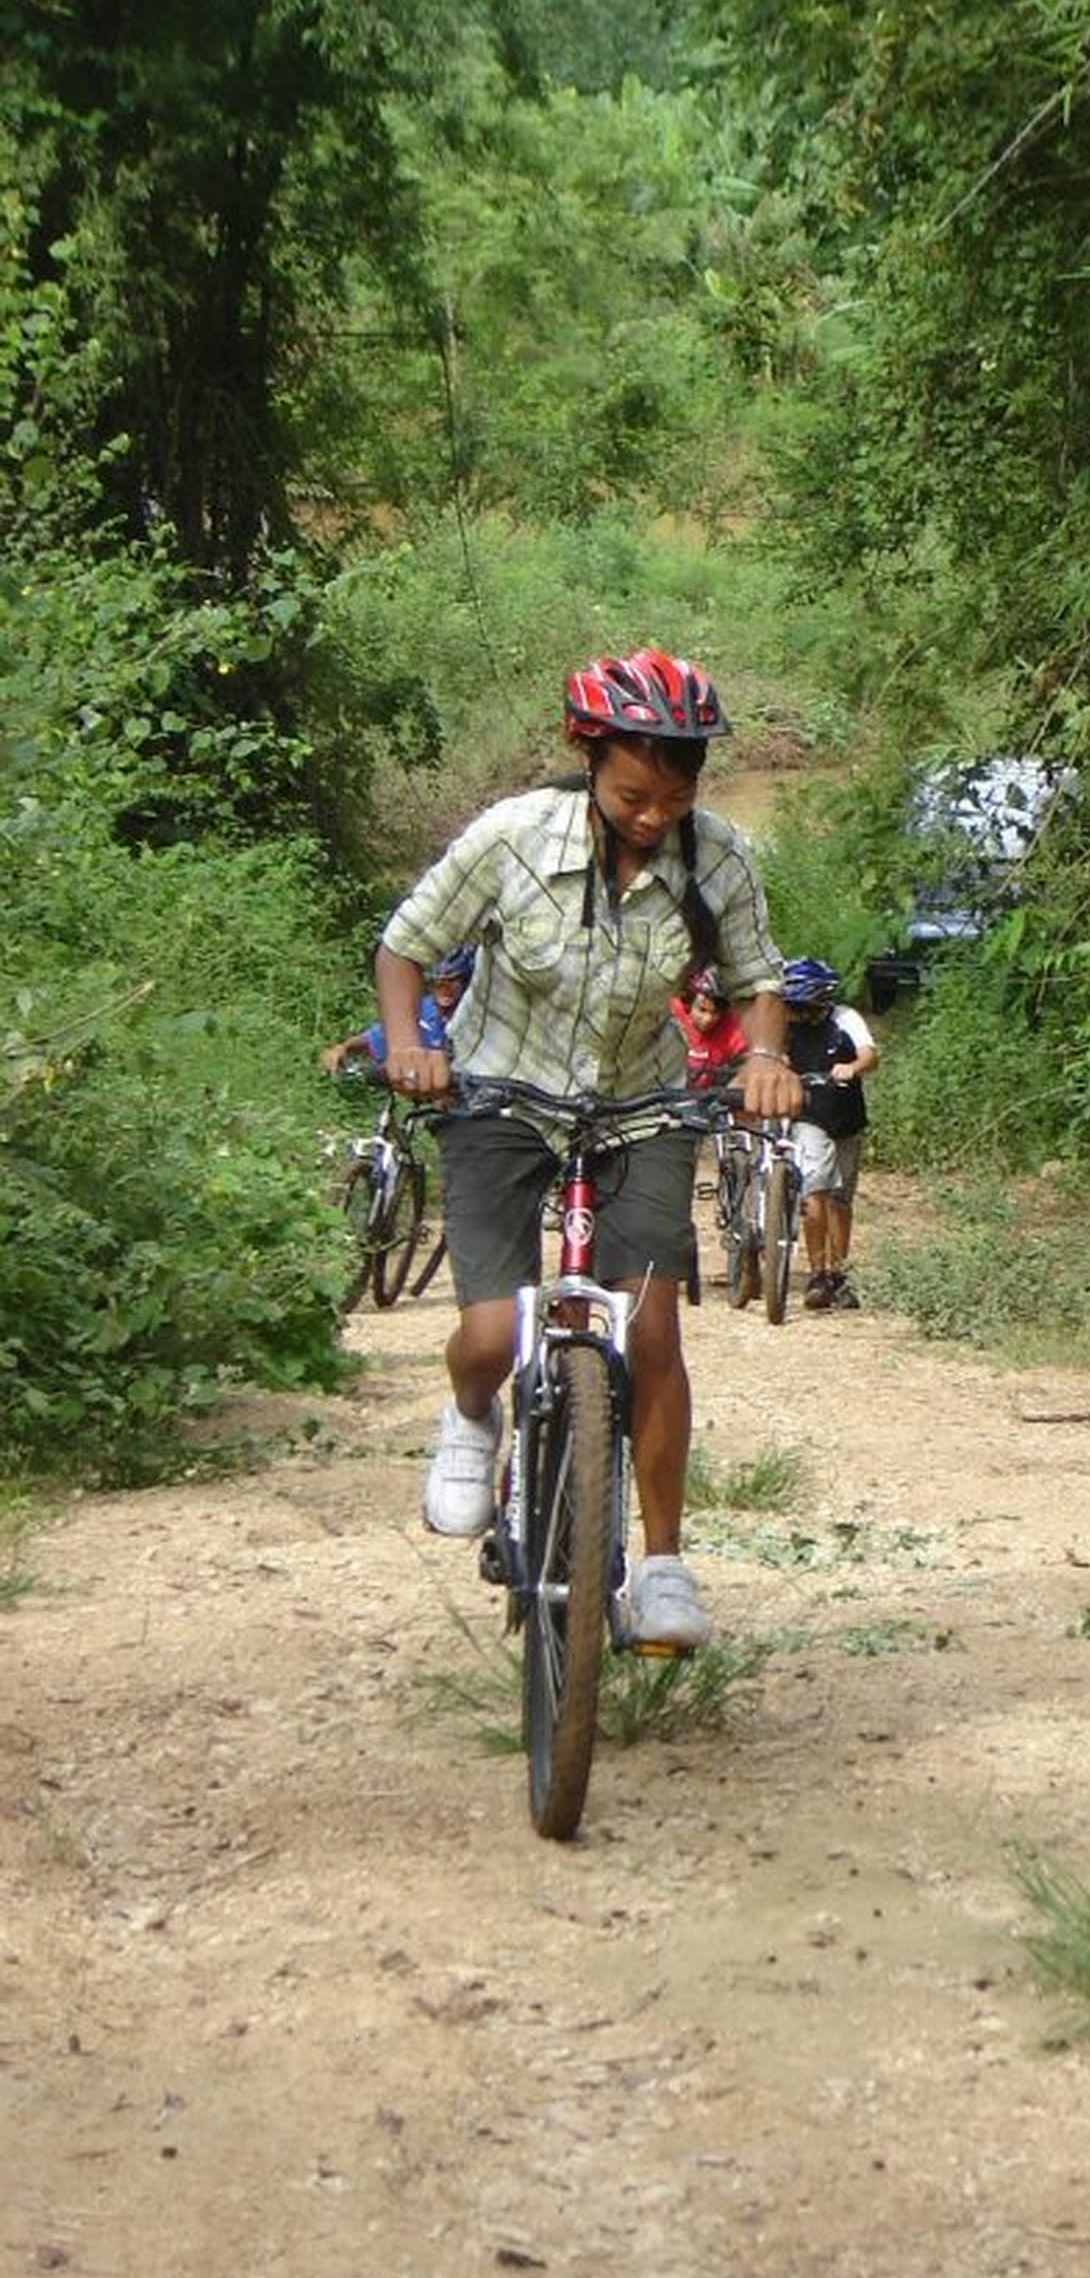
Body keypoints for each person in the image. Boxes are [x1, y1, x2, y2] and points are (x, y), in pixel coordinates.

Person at [373, 649, 802, 1651]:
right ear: (589, 759)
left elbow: (755, 979)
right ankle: (473, 1414)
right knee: (490, 1336)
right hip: (500, 1094)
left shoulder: (717, 858)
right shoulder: (513, 836)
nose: (654, 817)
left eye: (676, 797)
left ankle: (662, 1566)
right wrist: (407, 1045)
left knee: (650, 1334)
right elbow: (405, 945)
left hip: (641, 1105)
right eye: (631, 796)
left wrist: (766, 1057)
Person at [778, 956, 879, 1310]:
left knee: (840, 1199)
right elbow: (774, 1054)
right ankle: (818, 1272)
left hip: (846, 1117)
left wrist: (852, 1067)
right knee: (813, 1191)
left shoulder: (845, 1020)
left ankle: (839, 1272)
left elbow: (870, 1055)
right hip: (809, 1117)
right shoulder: (785, 1024)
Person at [320, 946, 475, 1075]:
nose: (445, 993)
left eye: (453, 983)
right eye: (439, 984)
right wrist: (342, 1049)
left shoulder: (480, 1017)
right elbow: (374, 1039)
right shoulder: (423, 1011)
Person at [672, 967, 750, 1090]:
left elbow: (749, 1060)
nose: (708, 1019)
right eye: (702, 1010)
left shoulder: (731, 1030)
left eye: (716, 1013)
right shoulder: (673, 1012)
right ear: (689, 1005)